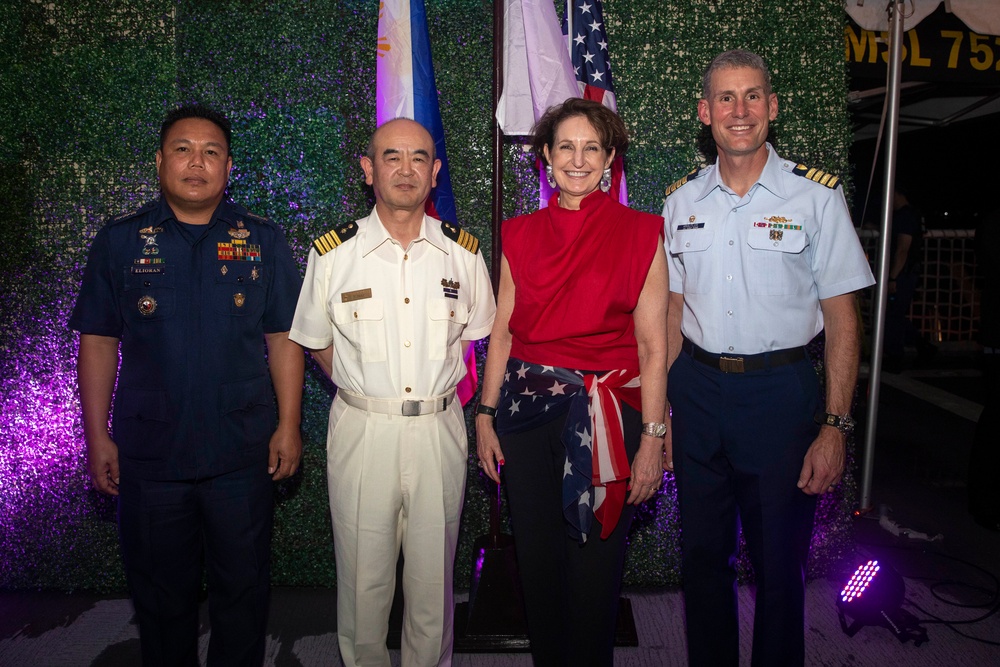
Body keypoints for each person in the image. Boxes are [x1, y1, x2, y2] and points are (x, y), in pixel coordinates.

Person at [70, 103, 304, 666]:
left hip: (241, 453)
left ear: (228, 167)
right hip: (150, 456)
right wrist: (96, 436)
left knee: (243, 595)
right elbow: (98, 342)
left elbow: (283, 339)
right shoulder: (121, 242)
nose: (196, 162)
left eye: (211, 152)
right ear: (159, 161)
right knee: (160, 599)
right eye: (183, 149)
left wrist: (290, 425)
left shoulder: (263, 242)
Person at [661, 50, 875, 666]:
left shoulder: (815, 199)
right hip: (697, 393)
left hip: (780, 396)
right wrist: (665, 413)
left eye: (753, 96)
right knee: (703, 560)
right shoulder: (683, 203)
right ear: (705, 113)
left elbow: (841, 317)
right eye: (725, 98)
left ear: (772, 108)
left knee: (781, 566)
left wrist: (835, 426)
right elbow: (673, 313)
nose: (739, 110)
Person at [289, 118, 496, 667]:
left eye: (419, 158)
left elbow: (476, 343)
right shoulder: (333, 255)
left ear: (435, 172)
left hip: (438, 430)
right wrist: (367, 391)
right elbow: (316, 344)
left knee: (434, 583)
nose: (406, 169)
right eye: (391, 157)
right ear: (368, 169)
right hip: (364, 430)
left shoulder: (463, 255)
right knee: (364, 582)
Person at [476, 97, 668, 666]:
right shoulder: (518, 235)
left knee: (596, 568)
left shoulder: (642, 233)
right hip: (527, 417)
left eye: (592, 148)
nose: (578, 159)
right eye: (566, 147)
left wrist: (654, 438)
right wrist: (485, 416)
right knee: (537, 565)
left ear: (610, 159)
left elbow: (654, 347)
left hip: (610, 414)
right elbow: (503, 334)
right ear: (545, 156)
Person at [884, 188, 934, 372]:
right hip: (909, 272)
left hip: (902, 274)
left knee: (892, 315)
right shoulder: (914, 215)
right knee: (895, 314)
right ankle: (922, 346)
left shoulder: (905, 216)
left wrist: (892, 277)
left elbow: (902, 249)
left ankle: (896, 355)